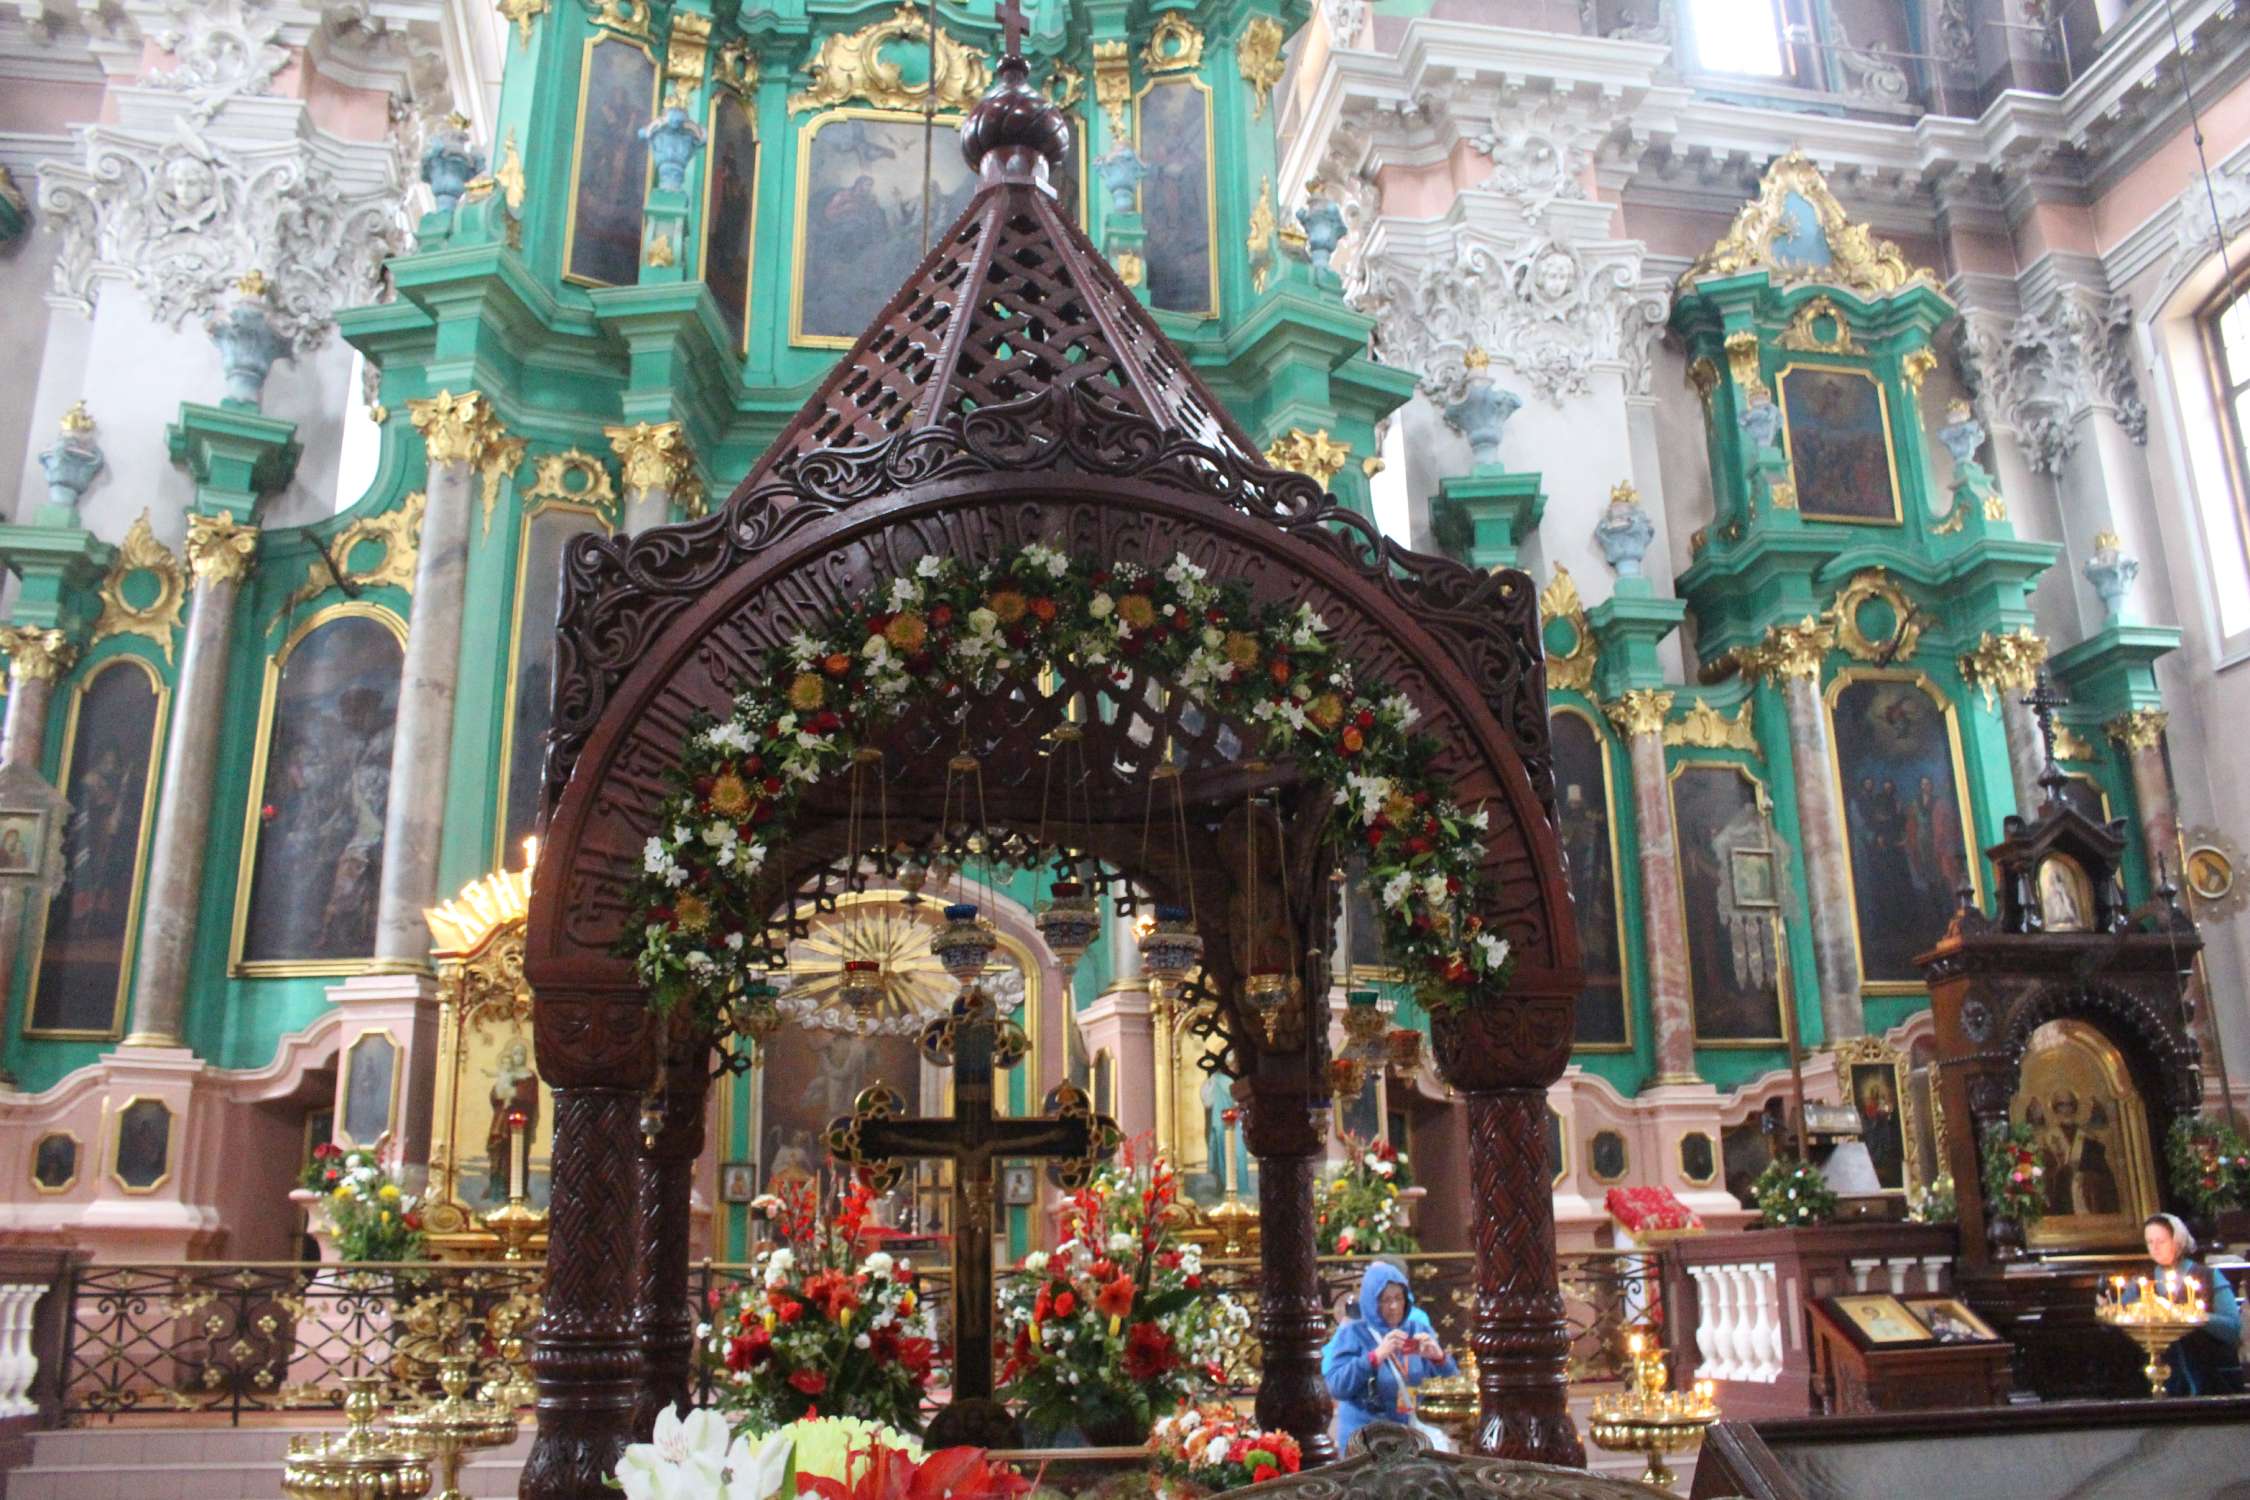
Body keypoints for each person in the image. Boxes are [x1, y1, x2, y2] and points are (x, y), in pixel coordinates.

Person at [1322, 1261, 1457, 1449]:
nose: (1393, 1306)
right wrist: (1374, 1357)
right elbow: (1336, 1386)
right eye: (1385, 1300)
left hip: (1408, 1434)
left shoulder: (1417, 1330)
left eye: (1398, 1298)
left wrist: (1440, 1358)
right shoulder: (1354, 1333)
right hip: (1365, 1439)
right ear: (1371, 1302)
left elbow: (1453, 1386)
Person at [2139, 1213, 2244, 1395]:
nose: (2154, 1248)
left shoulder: (2208, 1277)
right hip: (2160, 1378)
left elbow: (2233, 1330)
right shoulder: (2144, 1281)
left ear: (2178, 1241)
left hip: (2211, 1377)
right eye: (2149, 1242)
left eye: (2161, 1241)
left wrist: (2196, 1317)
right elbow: (2121, 1315)